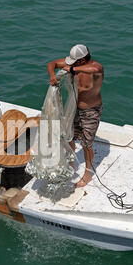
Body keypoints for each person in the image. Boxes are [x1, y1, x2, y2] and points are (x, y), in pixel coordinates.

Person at [47, 44, 104, 187]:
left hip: (91, 111)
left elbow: (95, 68)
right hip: (74, 108)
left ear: (82, 60)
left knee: (87, 145)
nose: (70, 64)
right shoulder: (75, 64)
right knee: (69, 136)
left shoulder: (96, 69)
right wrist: (53, 76)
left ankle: (88, 174)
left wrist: (72, 69)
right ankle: (71, 163)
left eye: (74, 62)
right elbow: (52, 64)